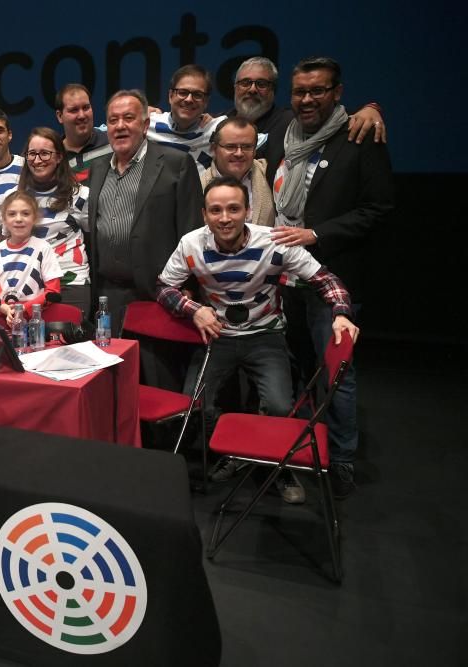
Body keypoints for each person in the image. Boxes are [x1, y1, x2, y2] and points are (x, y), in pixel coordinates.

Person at [156, 176, 360, 504]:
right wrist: (193, 309)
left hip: (266, 335)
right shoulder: (192, 244)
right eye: (216, 210)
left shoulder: (274, 242)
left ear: (247, 210)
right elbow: (164, 286)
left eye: (234, 209)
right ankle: (235, 451)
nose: (225, 218)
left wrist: (341, 312)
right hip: (219, 336)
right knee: (196, 405)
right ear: (204, 214)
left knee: (280, 405)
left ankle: (276, 467)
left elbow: (325, 279)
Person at [266, 56, 394, 498]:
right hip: (284, 278)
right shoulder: (285, 135)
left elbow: (378, 209)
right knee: (297, 367)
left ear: (337, 93)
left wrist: (316, 234)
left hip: (332, 275)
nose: (306, 99)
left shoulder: (360, 137)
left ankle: (340, 459)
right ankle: (303, 448)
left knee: (338, 372)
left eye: (317, 90)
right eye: (300, 91)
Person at [86, 89, 204, 389]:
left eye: (128, 118)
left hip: (156, 296)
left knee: (158, 384)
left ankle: (163, 439)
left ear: (145, 123)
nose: (120, 126)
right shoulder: (99, 167)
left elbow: (191, 230)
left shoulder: (175, 163)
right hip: (108, 298)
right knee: (112, 385)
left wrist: (188, 287)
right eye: (113, 120)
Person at [227, 56, 386, 154]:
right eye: (245, 83)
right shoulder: (218, 124)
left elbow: (334, 117)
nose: (252, 89)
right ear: (235, 87)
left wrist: (370, 109)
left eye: (261, 84)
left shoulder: (293, 122)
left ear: (273, 90)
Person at [14, 127, 91, 315]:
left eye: (45, 154)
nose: (37, 160)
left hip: (70, 282)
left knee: (71, 343)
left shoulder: (80, 195)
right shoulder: (15, 198)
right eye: (32, 154)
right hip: (30, 284)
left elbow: (93, 237)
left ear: (59, 157)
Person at [0, 191, 64, 326]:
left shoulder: (43, 248)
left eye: (25, 213)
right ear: (4, 219)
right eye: (12, 214)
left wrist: (23, 309)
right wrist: (4, 308)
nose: (18, 219)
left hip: (34, 319)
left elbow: (53, 290)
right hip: (1, 318)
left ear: (35, 218)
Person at [147, 65, 224, 175]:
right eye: (183, 92)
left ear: (206, 101)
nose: (189, 99)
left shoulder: (219, 129)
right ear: (170, 96)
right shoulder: (147, 123)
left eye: (197, 95)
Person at [200, 117, 275, 227]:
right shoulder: (198, 185)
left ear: (254, 151)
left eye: (247, 147)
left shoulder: (271, 174)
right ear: (214, 149)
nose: (239, 153)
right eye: (230, 147)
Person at [56, 83, 112, 182]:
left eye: (86, 108)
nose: (82, 115)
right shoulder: (53, 157)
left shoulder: (113, 141)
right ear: (60, 116)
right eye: (74, 110)